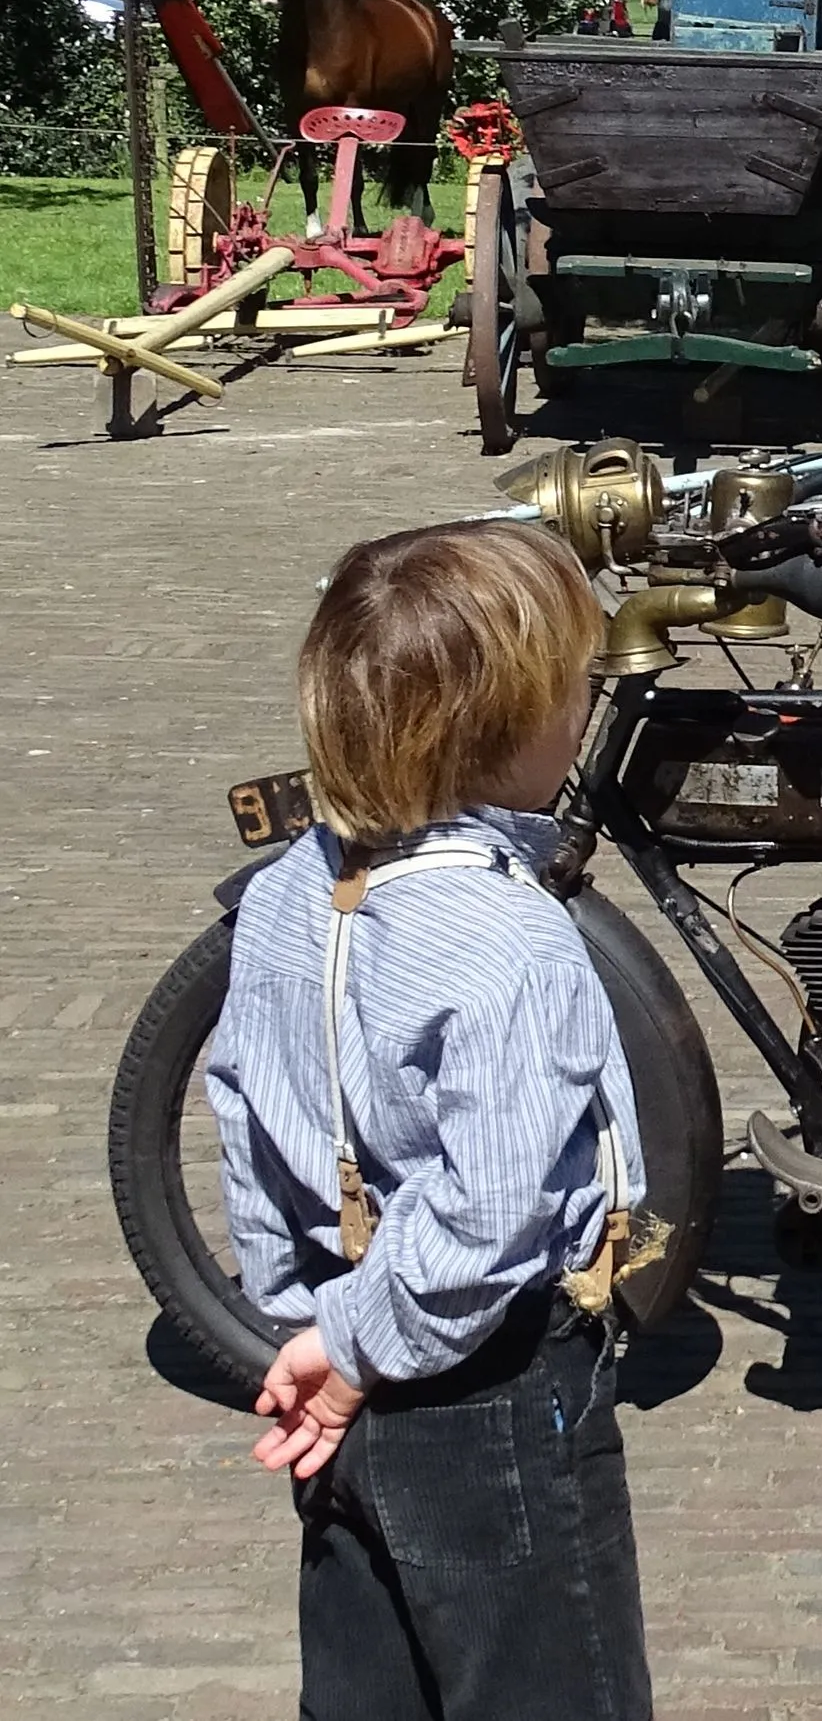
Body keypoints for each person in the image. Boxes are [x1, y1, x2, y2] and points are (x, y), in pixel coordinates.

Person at [204, 521, 653, 1719]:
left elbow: (241, 1105)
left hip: (332, 1349)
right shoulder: (510, 937)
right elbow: (490, 1206)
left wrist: (307, 1321)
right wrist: (359, 1348)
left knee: (364, 1685)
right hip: (489, 1379)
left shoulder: (290, 883)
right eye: (574, 691)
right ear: (512, 729)